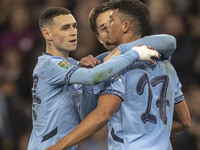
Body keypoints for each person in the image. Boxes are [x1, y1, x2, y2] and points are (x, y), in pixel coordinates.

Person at [45, 1, 191, 150]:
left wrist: (58, 146)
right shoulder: (166, 65)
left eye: (111, 20)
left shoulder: (118, 68)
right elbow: (185, 121)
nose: (108, 26)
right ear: (99, 38)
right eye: (103, 26)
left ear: (126, 25)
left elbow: (102, 115)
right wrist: (150, 133)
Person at [27, 6, 162, 150]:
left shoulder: (74, 66)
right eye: (65, 28)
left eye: (75, 26)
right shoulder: (48, 64)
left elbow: (86, 116)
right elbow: (94, 76)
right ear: (47, 34)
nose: (73, 32)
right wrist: (134, 53)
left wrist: (87, 85)